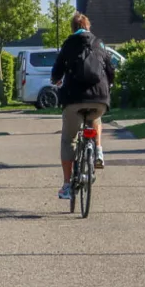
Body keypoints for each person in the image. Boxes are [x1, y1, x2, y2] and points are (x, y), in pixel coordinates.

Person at [50, 11, 116, 199]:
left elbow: (57, 70)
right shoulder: (99, 43)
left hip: (73, 98)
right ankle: (99, 151)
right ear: (88, 27)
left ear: (73, 28)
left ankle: (67, 185)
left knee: (68, 139)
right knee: (96, 117)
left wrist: (56, 80)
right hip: (99, 98)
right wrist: (109, 85)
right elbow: (110, 70)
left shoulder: (68, 44)